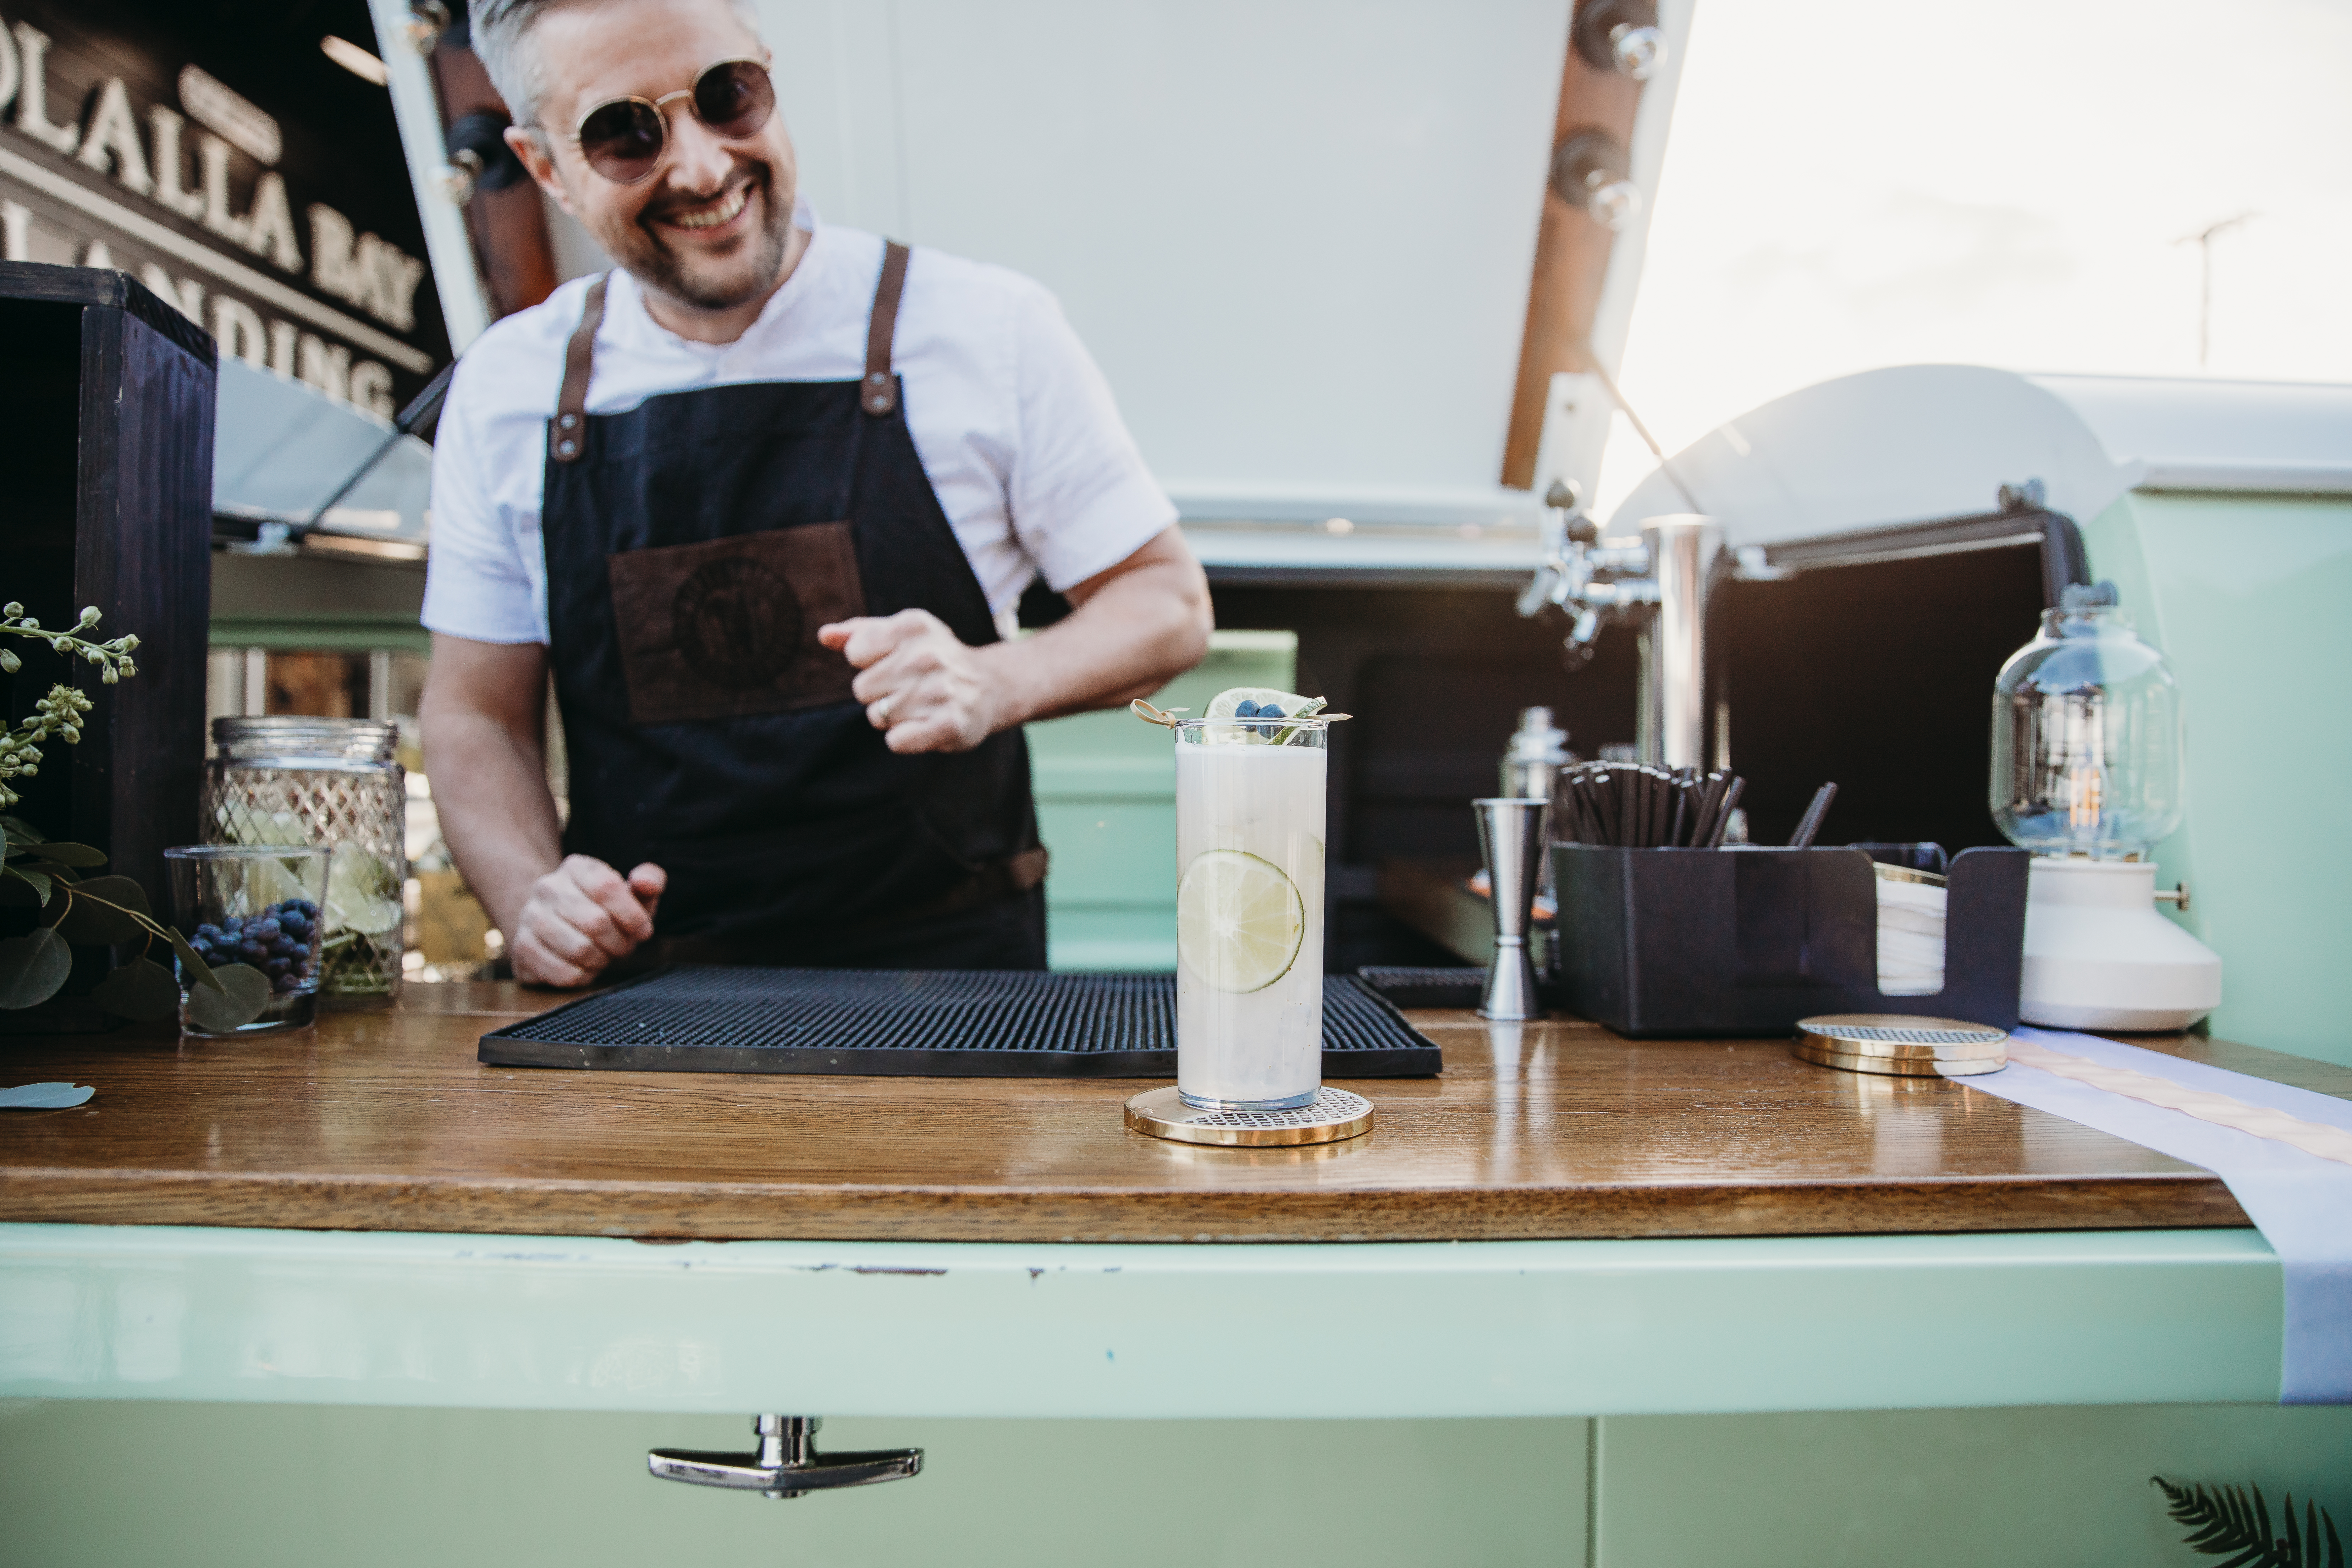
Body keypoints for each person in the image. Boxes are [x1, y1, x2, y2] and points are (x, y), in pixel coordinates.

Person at [418, 0, 1211, 987]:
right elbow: (474, 715)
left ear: (768, 77)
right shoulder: (509, 387)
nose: (704, 168)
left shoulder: (984, 328)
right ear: (545, 169)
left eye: (727, 97)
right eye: (626, 133)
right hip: (642, 1007)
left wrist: (994, 680)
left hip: (951, 992)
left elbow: (1169, 604)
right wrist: (533, 895)